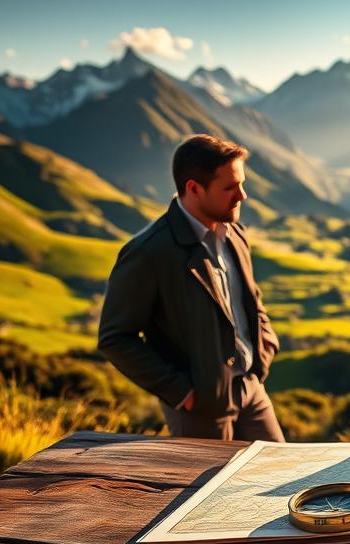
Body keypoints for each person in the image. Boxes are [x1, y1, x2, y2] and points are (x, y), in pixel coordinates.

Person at [98, 134, 284, 441]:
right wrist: (182, 393)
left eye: (242, 183)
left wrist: (265, 348)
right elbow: (114, 337)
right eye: (230, 187)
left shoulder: (236, 234)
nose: (243, 196)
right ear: (194, 189)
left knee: (278, 479)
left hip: (252, 390)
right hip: (200, 410)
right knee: (209, 490)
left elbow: (251, 301)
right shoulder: (148, 252)